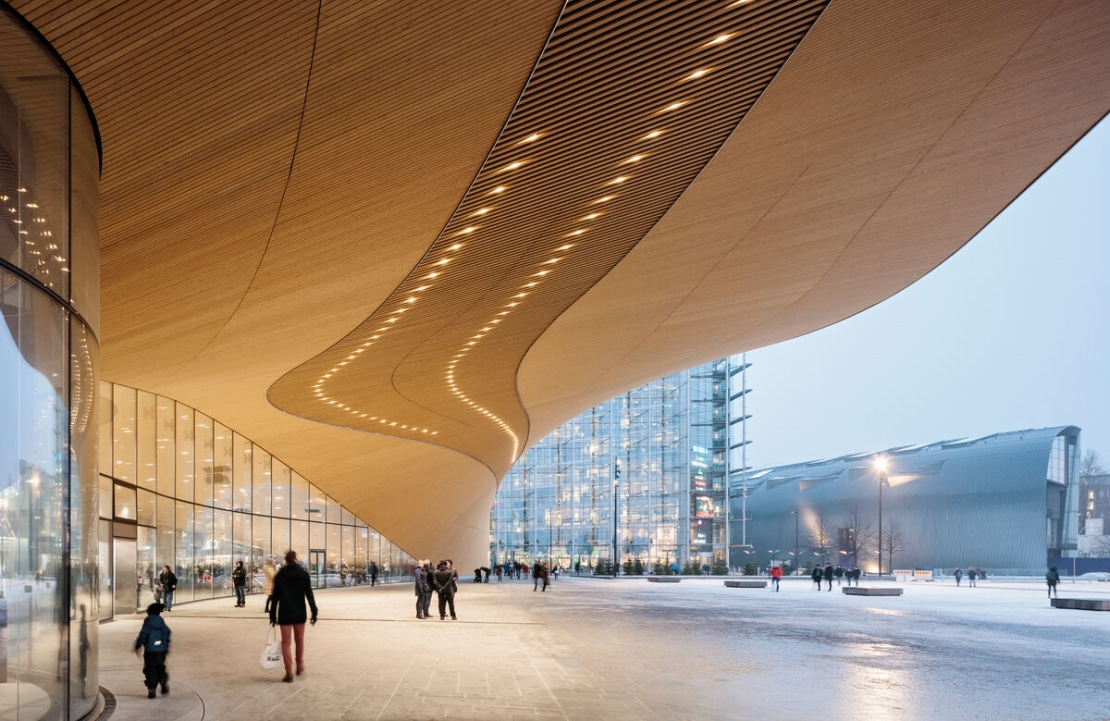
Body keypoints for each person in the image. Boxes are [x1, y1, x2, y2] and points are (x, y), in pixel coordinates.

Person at [269, 550, 318, 683]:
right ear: (296, 558)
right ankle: (300, 665)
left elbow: (275, 598)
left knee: (286, 643)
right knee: (300, 640)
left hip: (284, 612)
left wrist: (272, 615)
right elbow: (309, 594)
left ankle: (289, 672)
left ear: (286, 560)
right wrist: (314, 611)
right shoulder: (303, 574)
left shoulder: (280, 575)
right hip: (299, 612)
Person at [134, 602, 171, 699]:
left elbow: (143, 634)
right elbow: (167, 632)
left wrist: (138, 645)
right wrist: (165, 644)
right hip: (161, 650)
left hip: (150, 650)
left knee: (150, 669)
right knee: (160, 666)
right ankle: (162, 679)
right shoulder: (161, 622)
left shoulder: (148, 622)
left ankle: (151, 689)